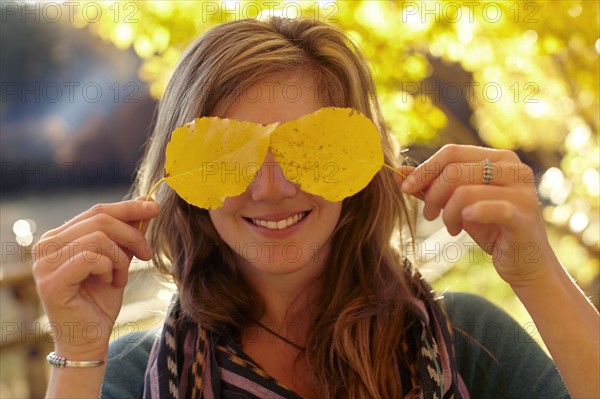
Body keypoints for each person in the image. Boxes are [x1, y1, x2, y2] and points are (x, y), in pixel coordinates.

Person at [32, 16, 598, 399]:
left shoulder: (470, 341)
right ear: (181, 179)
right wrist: (78, 353)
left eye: (316, 150)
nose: (272, 188)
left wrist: (536, 272)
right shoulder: (129, 376)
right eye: (231, 156)